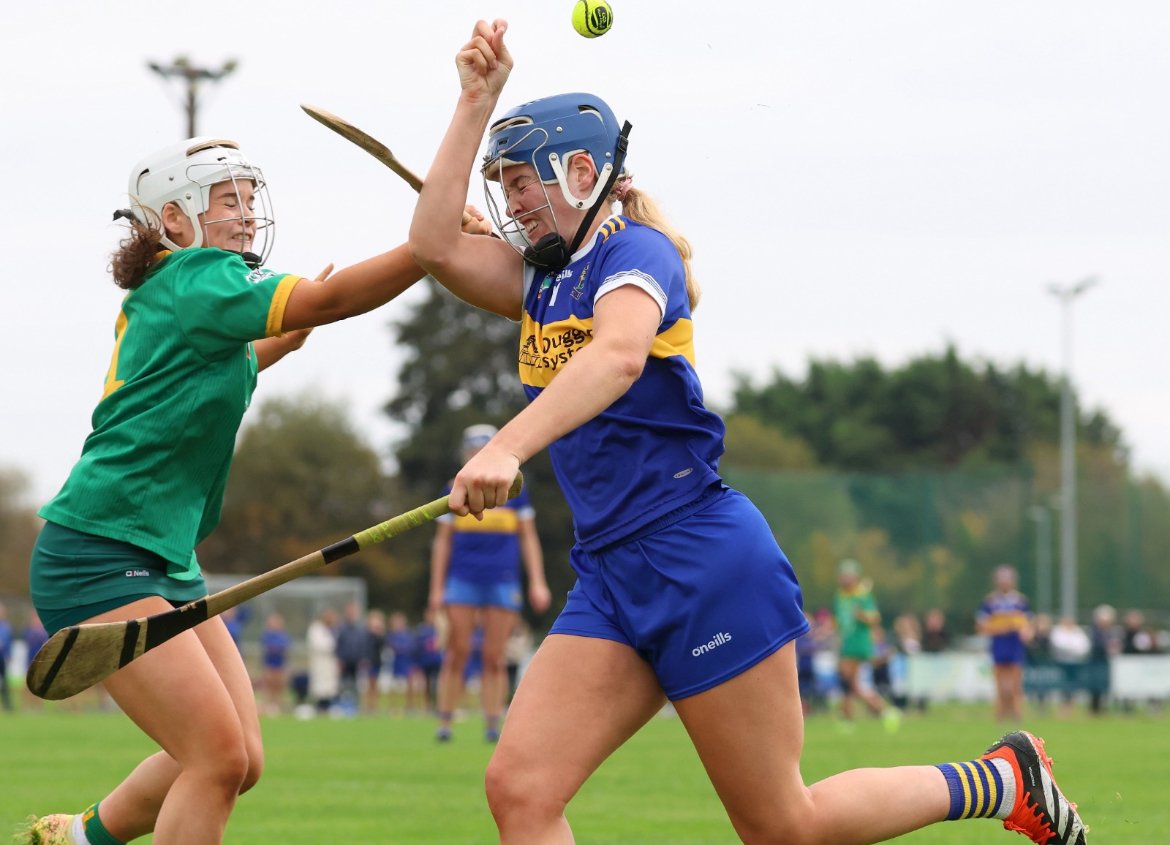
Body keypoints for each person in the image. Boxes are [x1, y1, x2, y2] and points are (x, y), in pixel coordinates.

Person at [406, 18, 1087, 845]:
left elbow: (618, 357)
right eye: (503, 187)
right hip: (611, 574)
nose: (510, 205)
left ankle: (1003, 778)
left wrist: (507, 443)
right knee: (520, 789)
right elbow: (433, 243)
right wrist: (476, 102)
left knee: (781, 826)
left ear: (582, 173)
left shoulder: (639, 254)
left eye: (521, 183)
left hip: (701, 561)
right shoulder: (539, 284)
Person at [19, 133, 490, 845]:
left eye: (247, 199)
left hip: (162, 558)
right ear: (174, 218)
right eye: (226, 201)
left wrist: (282, 339)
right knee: (215, 758)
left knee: (241, 758)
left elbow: (203, 374)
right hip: (99, 555)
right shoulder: (197, 277)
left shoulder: (185, 293)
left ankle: (78, 837)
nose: (244, 214)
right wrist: (431, 245)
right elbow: (331, 299)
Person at [430, 423, 550, 742]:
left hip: (502, 580)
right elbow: (442, 542)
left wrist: (537, 581)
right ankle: (445, 723)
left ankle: (492, 724)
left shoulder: (514, 491)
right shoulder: (453, 488)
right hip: (462, 579)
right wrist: (436, 589)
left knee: (495, 657)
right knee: (457, 651)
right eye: (471, 449)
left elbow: (528, 537)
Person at [833, 559, 900, 730]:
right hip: (846, 642)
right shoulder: (840, 596)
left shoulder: (862, 596)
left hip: (858, 643)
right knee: (851, 684)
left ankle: (848, 718)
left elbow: (874, 618)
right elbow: (840, 621)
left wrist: (860, 615)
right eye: (843, 575)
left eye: (848, 575)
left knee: (846, 679)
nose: (844, 578)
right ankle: (882, 711)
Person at [976, 565, 1033, 722]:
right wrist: (1003, 628)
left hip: (1015, 646)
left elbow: (1028, 624)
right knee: (1000, 682)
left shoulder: (1020, 601)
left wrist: (1026, 633)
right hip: (999, 645)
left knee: (1015, 682)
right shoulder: (990, 601)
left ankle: (1016, 713)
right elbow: (981, 625)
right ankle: (1000, 713)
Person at [307, 607, 341, 716]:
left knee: (330, 687)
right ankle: (320, 707)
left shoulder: (332, 629)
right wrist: (332, 646)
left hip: (330, 663)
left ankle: (328, 707)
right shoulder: (316, 628)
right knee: (320, 686)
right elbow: (320, 645)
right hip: (320, 662)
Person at [258, 612, 292, 716]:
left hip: (280, 665)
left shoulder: (283, 635)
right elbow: (269, 647)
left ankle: (277, 706)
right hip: (269, 665)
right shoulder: (267, 635)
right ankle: (266, 706)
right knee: (268, 686)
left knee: (279, 686)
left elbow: (284, 647)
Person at [0, 600, 12, 712]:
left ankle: (7, 705)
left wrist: (9, 655)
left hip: (2, 657)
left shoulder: (5, 626)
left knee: (4, 682)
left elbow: (8, 643)